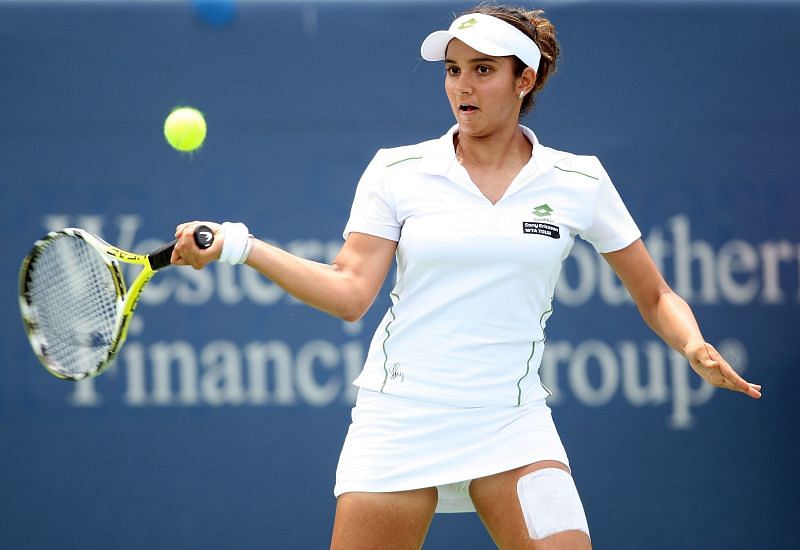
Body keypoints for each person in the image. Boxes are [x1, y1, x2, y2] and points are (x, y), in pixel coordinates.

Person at [172, 5, 762, 549]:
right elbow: (350, 293)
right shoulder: (397, 171)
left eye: (483, 70)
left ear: (524, 79)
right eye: (453, 70)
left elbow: (655, 293)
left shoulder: (578, 180)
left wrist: (691, 343)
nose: (462, 86)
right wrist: (240, 247)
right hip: (401, 418)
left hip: (512, 420)